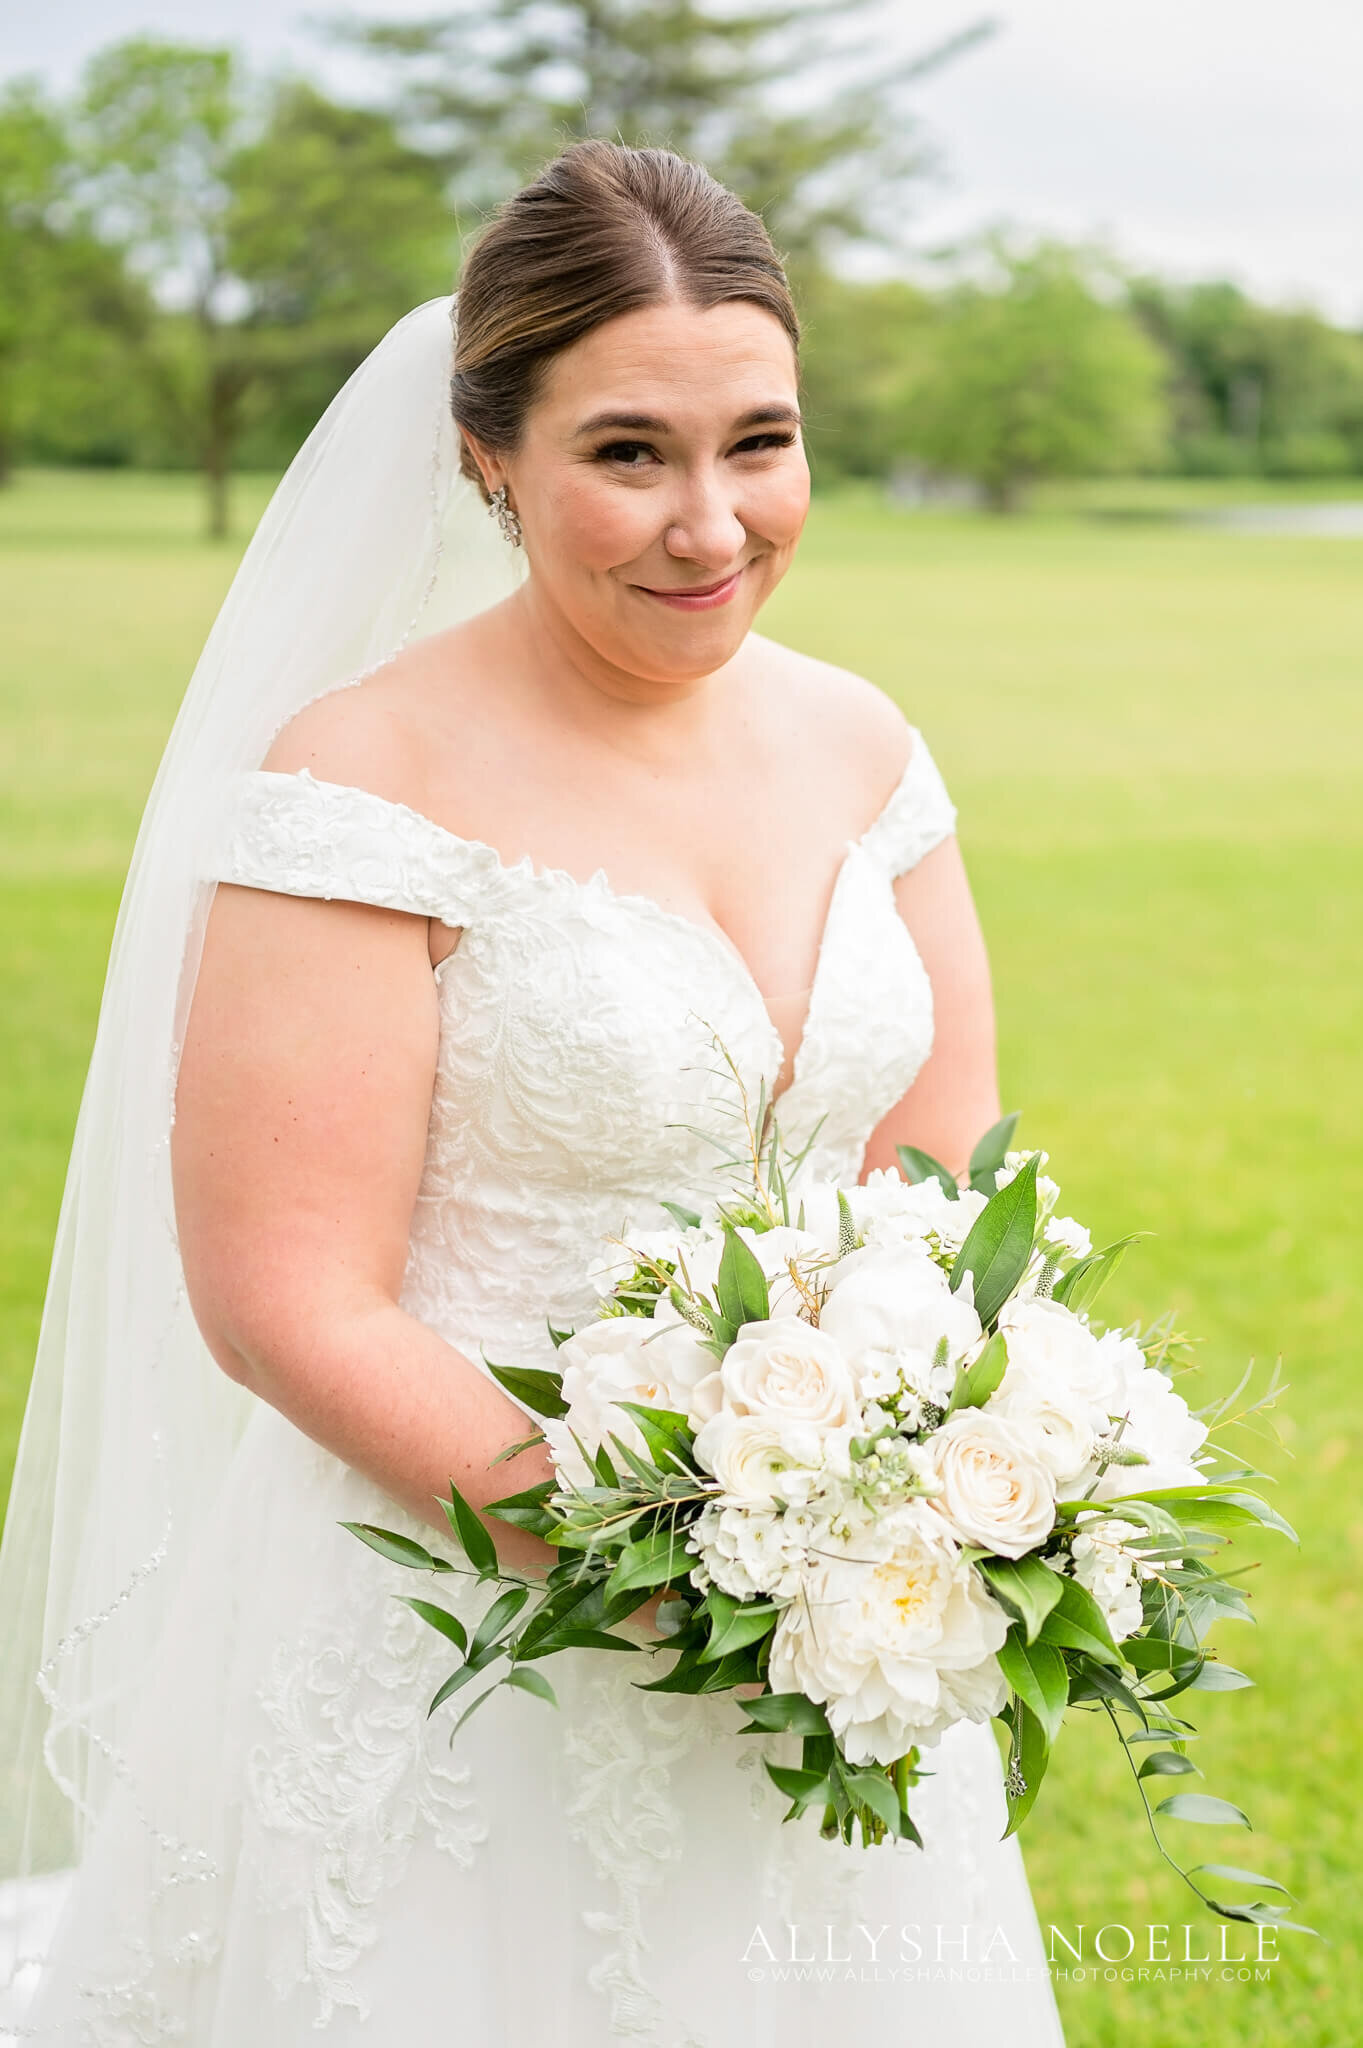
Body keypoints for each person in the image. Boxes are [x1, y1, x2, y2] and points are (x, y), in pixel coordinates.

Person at [0, 141, 1066, 2043]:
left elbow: (940, 1169)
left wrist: (914, 1523)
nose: (712, 523)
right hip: (466, 1634)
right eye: (630, 451)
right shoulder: (366, 781)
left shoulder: (864, 743)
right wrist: (669, 1573)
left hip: (852, 1617)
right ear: (491, 454)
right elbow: (284, 1297)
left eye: (761, 441)